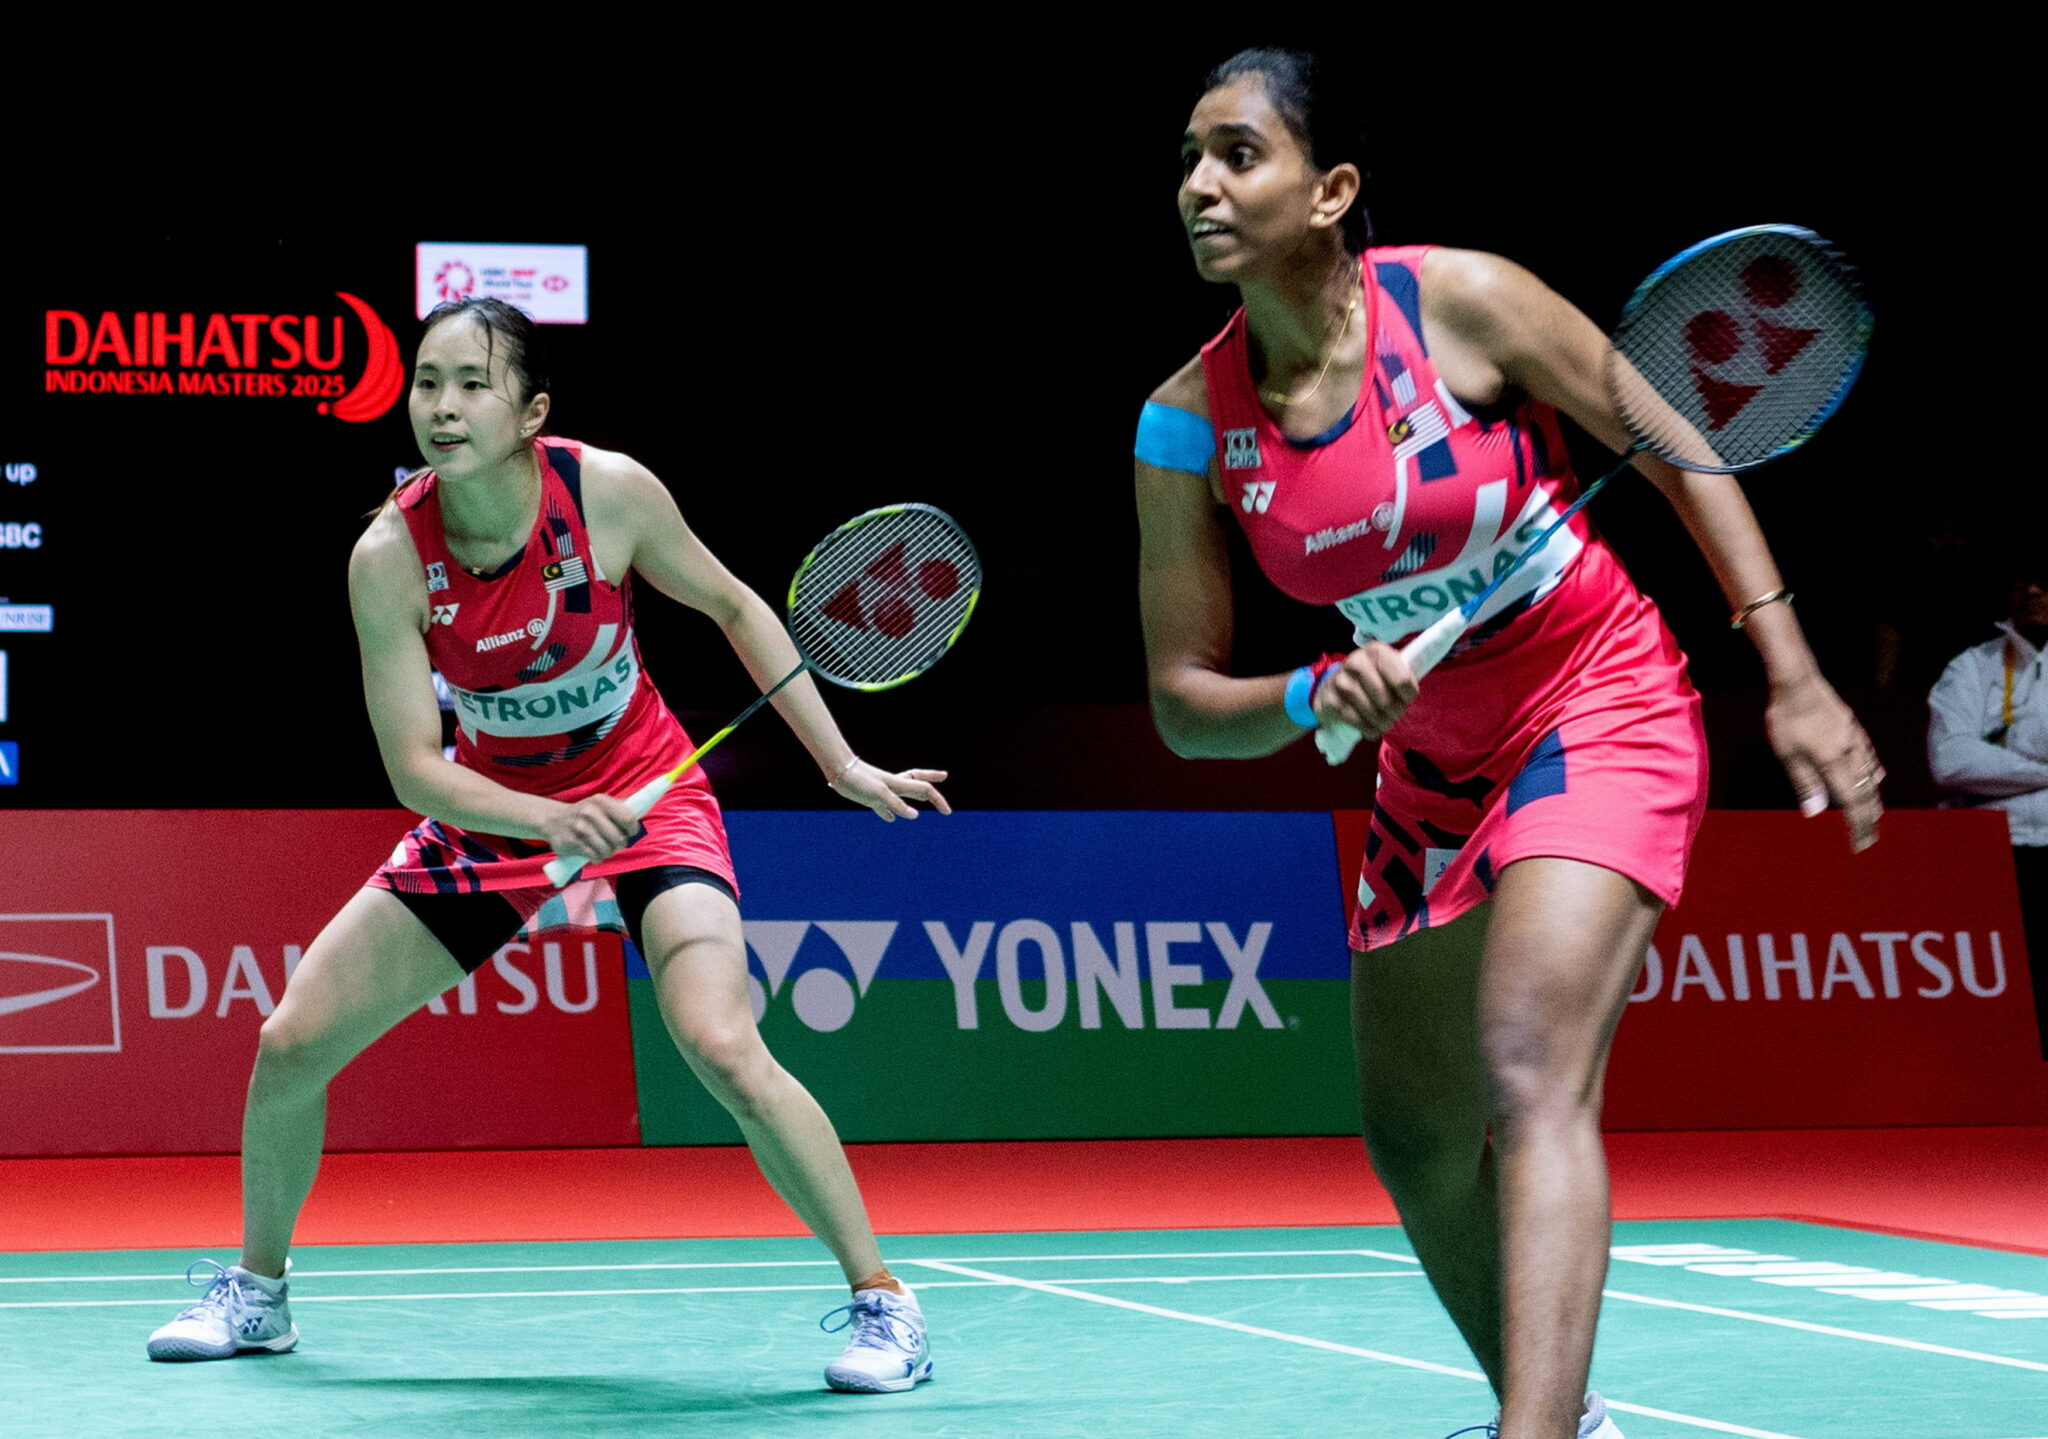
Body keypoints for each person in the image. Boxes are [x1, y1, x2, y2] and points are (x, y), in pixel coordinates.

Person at [1133, 50, 1883, 1439]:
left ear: (1330, 189)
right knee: (1415, 1138)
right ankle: (1561, 1412)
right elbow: (1182, 703)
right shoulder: (1185, 422)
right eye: (1188, 159)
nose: (1198, 186)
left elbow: (1674, 439)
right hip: (1427, 762)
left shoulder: (1460, 302)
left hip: (1594, 695)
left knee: (1529, 1059)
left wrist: (1789, 669)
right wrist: (1312, 694)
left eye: (1237, 154)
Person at [146, 297, 943, 1395]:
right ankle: (259, 1290)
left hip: (648, 793)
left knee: (721, 1043)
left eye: (472, 384)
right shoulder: (389, 556)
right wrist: (547, 822)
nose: (443, 406)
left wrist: (839, 762)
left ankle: (885, 1300)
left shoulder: (606, 493)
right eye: (428, 382)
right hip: (496, 813)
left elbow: (734, 604)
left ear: (531, 412)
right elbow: (413, 768)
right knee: (291, 1041)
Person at [1928, 562, 2048, 1056]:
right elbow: (1951, 761)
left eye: (2044, 580)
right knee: (2002, 1001)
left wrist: (2003, 758)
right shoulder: (1972, 666)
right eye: (2022, 581)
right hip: (1992, 850)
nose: (2033, 590)